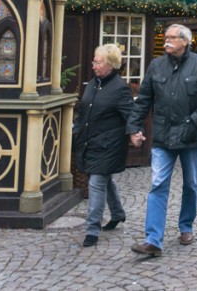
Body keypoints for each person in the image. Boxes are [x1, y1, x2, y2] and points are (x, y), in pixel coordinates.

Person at [128, 24, 197, 257]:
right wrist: (134, 127)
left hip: (191, 136)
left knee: (191, 184)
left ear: (185, 41)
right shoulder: (156, 66)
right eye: (165, 37)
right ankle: (153, 240)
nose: (167, 41)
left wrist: (193, 122)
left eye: (172, 37)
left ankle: (186, 226)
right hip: (162, 136)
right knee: (158, 184)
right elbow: (144, 100)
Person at [74, 43, 134, 248]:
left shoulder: (120, 88)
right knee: (103, 179)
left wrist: (136, 133)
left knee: (97, 182)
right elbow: (83, 112)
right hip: (89, 141)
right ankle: (117, 214)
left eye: (97, 62)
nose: (93, 65)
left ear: (110, 64)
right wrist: (76, 132)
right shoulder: (92, 83)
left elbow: (131, 115)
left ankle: (92, 230)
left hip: (109, 145)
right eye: (94, 61)